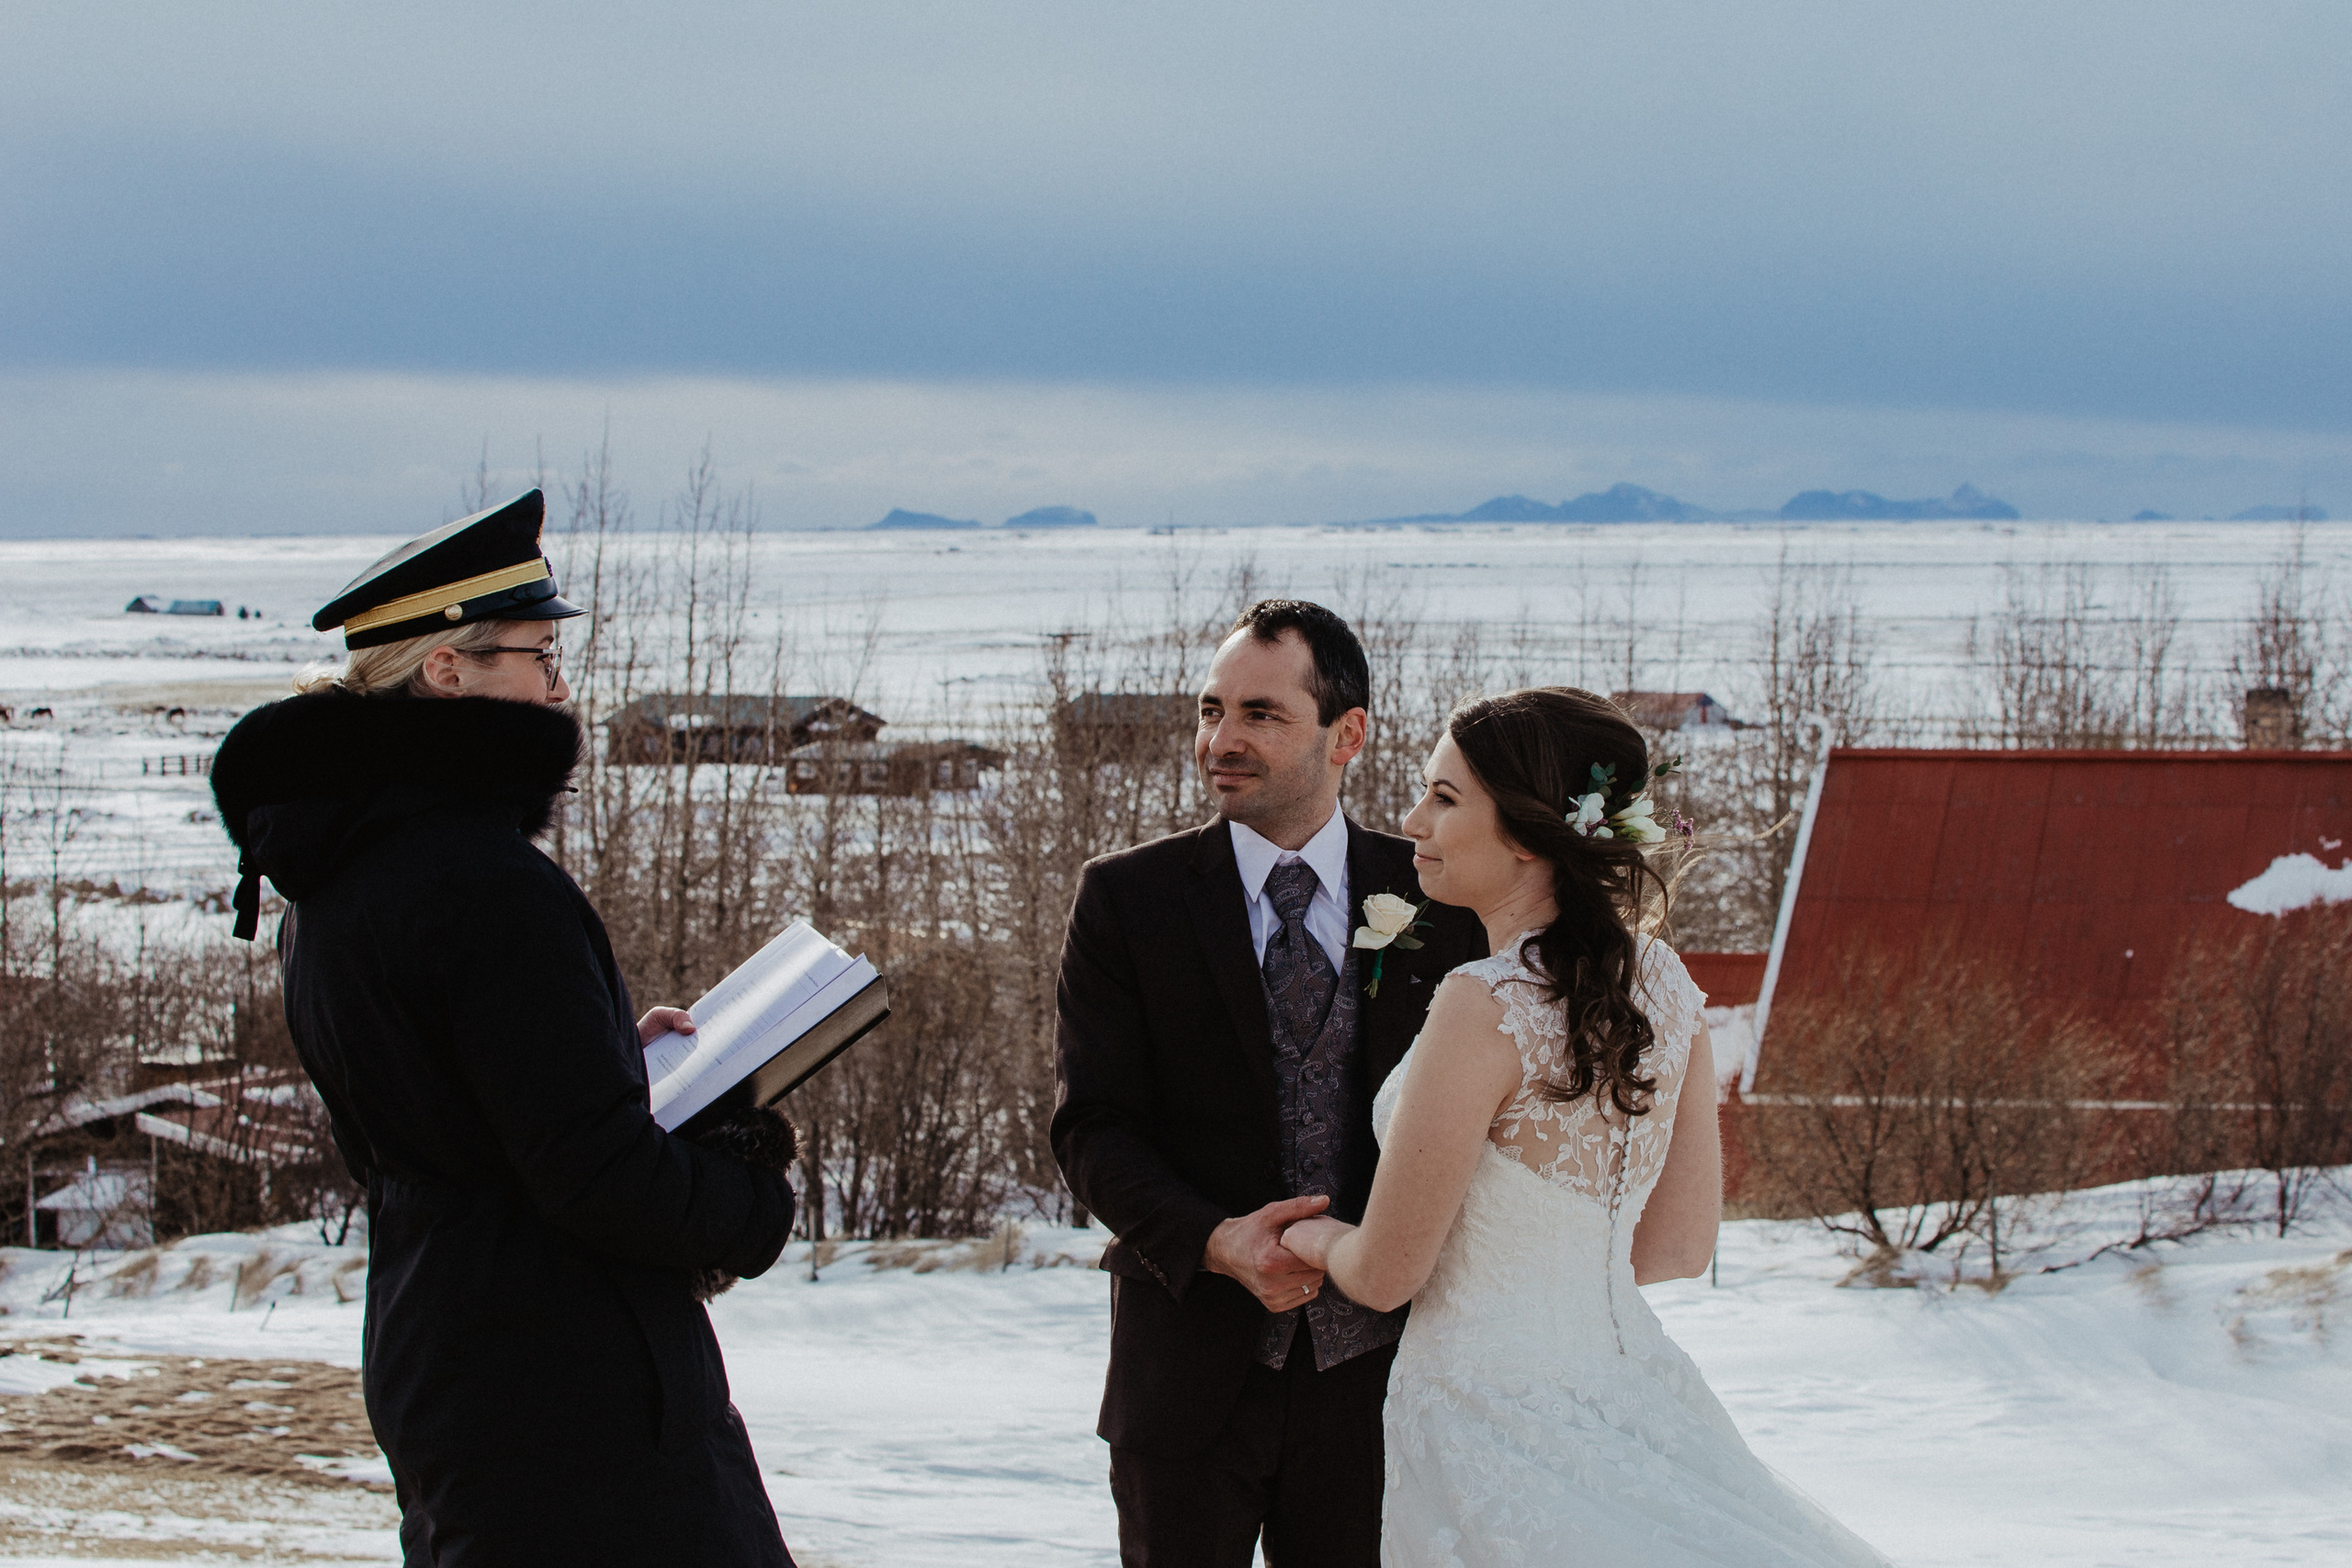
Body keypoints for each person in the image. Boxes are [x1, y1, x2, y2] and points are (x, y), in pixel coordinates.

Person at [210, 491, 802, 1567]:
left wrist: (599, 1052)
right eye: (538, 654)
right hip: (571, 1382)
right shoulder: (486, 882)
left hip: (440, 1344)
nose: (559, 685)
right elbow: (595, 1176)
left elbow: (441, 1104)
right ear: (448, 668)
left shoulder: (333, 874)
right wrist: (749, 1190)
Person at [1279, 687, 1891, 1567]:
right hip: (1632, 1395)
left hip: (1483, 1420)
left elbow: (1385, 1273)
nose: (1414, 819)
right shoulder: (1669, 988)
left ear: (1530, 831)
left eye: (1445, 798)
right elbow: (1679, 1246)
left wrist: (1311, 1234)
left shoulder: (1479, 1003)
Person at [1052, 600, 1487, 1567]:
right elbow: (1092, 1127)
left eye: (1259, 714)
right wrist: (1214, 1242)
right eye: (1211, 711)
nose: (1222, 740)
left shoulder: (1438, 897)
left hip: (1386, 1376)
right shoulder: (1127, 899)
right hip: (1186, 1375)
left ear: (1349, 735)